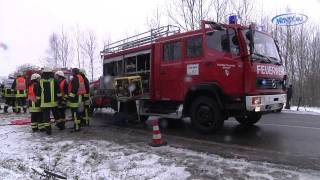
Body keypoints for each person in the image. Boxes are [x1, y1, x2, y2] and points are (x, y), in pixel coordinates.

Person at [36, 67, 61, 135]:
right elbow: (58, 91)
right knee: (56, 115)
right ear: (51, 73)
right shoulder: (55, 80)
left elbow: (38, 93)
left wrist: (38, 101)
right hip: (54, 102)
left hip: (44, 103)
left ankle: (48, 131)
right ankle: (60, 126)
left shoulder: (40, 81)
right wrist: (60, 99)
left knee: (46, 117)